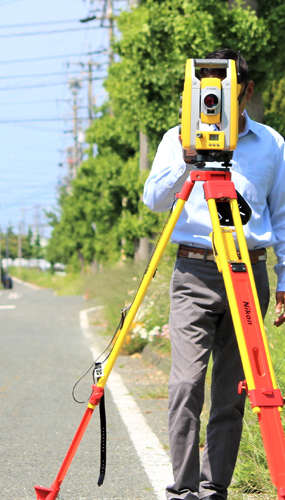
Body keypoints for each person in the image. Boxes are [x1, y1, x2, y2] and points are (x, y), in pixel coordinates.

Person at [143, 49, 285, 500]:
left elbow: (282, 218)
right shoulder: (176, 137)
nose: (217, 92)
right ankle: (182, 490)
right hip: (194, 272)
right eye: (208, 82)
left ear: (246, 89)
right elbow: (154, 199)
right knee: (186, 383)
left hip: (250, 272)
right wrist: (188, 156)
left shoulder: (272, 144)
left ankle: (213, 488)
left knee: (232, 391)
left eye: (227, 83)